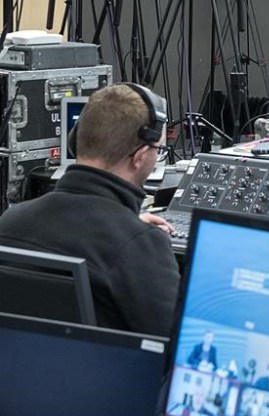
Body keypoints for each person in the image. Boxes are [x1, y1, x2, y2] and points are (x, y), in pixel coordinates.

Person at [0, 84, 177, 337]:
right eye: (158, 151)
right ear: (140, 156)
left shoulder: (11, 220)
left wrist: (129, 226)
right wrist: (132, 234)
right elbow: (179, 346)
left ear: (75, 140)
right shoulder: (138, 245)